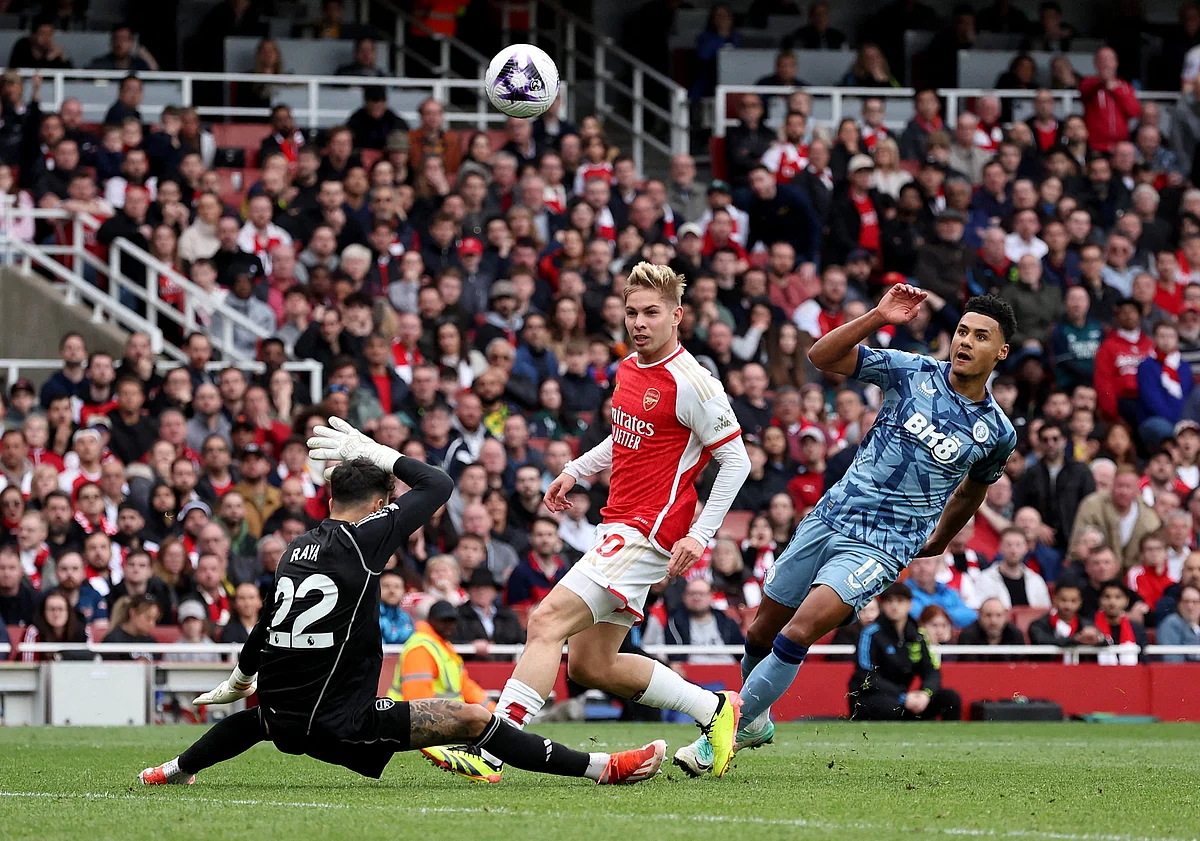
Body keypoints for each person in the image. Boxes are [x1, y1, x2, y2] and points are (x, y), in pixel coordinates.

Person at [140, 419, 665, 788]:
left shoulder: (294, 549)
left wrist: (241, 675)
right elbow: (438, 483)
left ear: (330, 498)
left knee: (259, 721)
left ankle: (175, 769)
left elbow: (265, 624)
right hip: (341, 723)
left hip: (286, 714)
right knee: (472, 717)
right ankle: (602, 767)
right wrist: (376, 450)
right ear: (378, 505)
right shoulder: (367, 537)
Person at [676, 288, 1016, 773]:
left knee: (800, 630)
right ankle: (754, 720)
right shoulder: (912, 369)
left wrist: (940, 538)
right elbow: (821, 356)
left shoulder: (998, 432)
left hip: (883, 545)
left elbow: (971, 493)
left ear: (1001, 351)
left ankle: (722, 734)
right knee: (762, 630)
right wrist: (877, 316)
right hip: (830, 516)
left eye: (981, 337)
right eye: (962, 331)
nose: (965, 342)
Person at [437, 263, 748, 783]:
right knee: (591, 665)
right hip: (617, 525)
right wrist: (576, 469)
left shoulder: (694, 383)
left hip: (646, 532)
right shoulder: (628, 367)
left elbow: (736, 461)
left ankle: (491, 750)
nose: (639, 323)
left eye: (652, 313)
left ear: (677, 316)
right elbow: (625, 438)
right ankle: (713, 708)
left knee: (545, 622)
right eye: (632, 312)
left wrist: (700, 534)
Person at [848, 583, 962, 721]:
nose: (894, 606)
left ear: (910, 604)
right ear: (882, 605)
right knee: (889, 707)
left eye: (900, 601)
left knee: (950, 698)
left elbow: (931, 671)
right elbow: (866, 675)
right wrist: (902, 696)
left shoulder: (917, 635)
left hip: (907, 699)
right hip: (873, 697)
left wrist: (925, 694)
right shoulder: (870, 634)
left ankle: (950, 735)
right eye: (889, 601)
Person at [454, 567, 525, 646]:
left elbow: (522, 640)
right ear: (469, 591)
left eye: (486, 588)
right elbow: (450, 641)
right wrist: (470, 645)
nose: (481, 592)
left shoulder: (508, 616)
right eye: (476, 587)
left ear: (494, 592)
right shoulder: (457, 615)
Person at [1028, 583, 1102, 647]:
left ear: (1080, 603)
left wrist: (1098, 638)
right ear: (1054, 599)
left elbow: (1104, 641)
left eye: (1073, 601)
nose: (1068, 605)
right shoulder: (1039, 625)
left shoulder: (1087, 625)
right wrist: (1075, 640)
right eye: (1063, 600)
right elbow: (1041, 640)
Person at [956, 597, 1026, 658]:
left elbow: (1021, 664)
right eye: (988, 615)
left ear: (1005, 616)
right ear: (980, 616)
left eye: (998, 615)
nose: (993, 621)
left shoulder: (1015, 634)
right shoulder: (967, 636)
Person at [1155, 584, 1200, 661]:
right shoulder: (1171, 623)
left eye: (1195, 602)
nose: (1190, 606)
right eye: (1186, 601)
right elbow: (1172, 659)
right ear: (1179, 604)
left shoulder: (1196, 626)